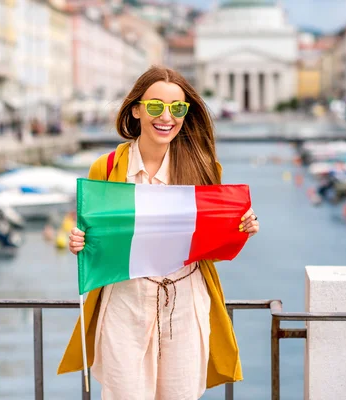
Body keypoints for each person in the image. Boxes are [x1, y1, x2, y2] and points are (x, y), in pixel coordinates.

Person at [57, 66, 260, 399]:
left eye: (177, 108)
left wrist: (243, 227)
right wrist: (78, 241)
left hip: (185, 299)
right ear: (136, 109)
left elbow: (212, 241)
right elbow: (94, 240)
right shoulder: (105, 168)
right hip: (124, 301)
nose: (166, 116)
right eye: (155, 106)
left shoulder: (204, 166)